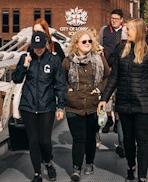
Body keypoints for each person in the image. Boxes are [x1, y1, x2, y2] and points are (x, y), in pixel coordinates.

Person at [97, 18, 148, 182]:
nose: (126, 31)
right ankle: (131, 165)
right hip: (124, 102)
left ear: (138, 31)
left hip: (144, 103)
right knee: (128, 140)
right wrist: (104, 99)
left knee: (142, 139)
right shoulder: (121, 49)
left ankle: (142, 175)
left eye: (129, 29)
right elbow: (114, 77)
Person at [12, 31, 66, 182]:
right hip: (28, 106)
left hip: (47, 106)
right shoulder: (26, 58)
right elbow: (16, 79)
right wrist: (24, 66)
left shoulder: (53, 60)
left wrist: (60, 106)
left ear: (46, 45)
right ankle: (37, 173)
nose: (38, 50)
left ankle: (48, 162)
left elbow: (60, 85)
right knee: (33, 141)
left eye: (41, 47)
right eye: (35, 47)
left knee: (45, 141)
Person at [62, 29, 110, 181]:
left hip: (93, 104)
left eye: (90, 41)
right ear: (76, 44)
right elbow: (60, 80)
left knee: (90, 137)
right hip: (73, 105)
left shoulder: (99, 59)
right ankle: (76, 167)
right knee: (78, 138)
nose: (88, 44)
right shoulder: (68, 61)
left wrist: (99, 89)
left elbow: (107, 77)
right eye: (84, 41)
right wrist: (67, 91)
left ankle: (89, 162)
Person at [98, 9, 125, 133]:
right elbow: (100, 47)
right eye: (112, 18)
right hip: (107, 68)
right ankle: (109, 119)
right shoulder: (104, 30)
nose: (113, 21)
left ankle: (118, 120)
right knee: (107, 95)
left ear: (121, 20)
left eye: (116, 19)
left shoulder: (125, 31)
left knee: (119, 96)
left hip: (121, 68)